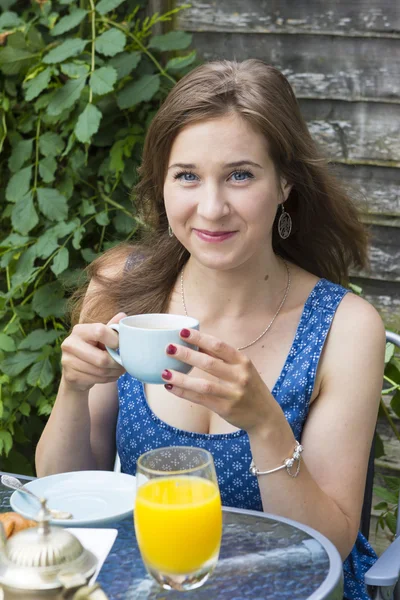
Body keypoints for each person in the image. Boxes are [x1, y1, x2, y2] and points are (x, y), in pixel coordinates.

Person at [36, 59, 385, 599]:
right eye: (187, 176)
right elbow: (62, 495)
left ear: (286, 183)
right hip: (148, 581)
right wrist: (74, 388)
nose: (211, 207)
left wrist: (265, 424)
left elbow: (330, 543)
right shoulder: (121, 289)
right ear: (163, 184)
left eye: (240, 174)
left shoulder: (346, 327)